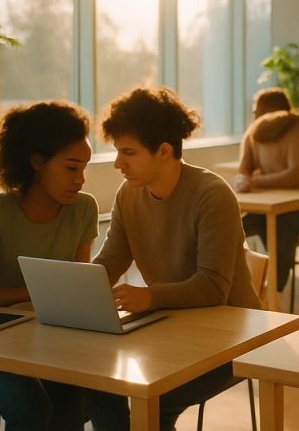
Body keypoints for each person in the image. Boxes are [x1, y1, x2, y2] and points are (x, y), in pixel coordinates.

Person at [86, 86, 260, 431]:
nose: (119, 163)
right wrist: (69, 286)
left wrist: (149, 296)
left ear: (163, 151)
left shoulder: (213, 196)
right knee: (99, 385)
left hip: (233, 338)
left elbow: (213, 288)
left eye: (128, 153)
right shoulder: (128, 193)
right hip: (170, 330)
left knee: (155, 399)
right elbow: (110, 262)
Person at [0, 101, 97, 431]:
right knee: (32, 408)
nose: (81, 179)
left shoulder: (83, 209)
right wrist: (30, 294)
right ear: (37, 162)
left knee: (83, 401)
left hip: (54, 345)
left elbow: (79, 287)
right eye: (72, 168)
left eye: (84, 168)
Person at [235, 87, 299, 293]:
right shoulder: (254, 131)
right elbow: (244, 170)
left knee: (282, 225)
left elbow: (295, 175)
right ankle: (236, 285)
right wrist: (245, 179)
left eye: (257, 110)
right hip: (270, 209)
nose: (254, 115)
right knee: (231, 225)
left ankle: (271, 291)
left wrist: (255, 182)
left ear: (275, 111)